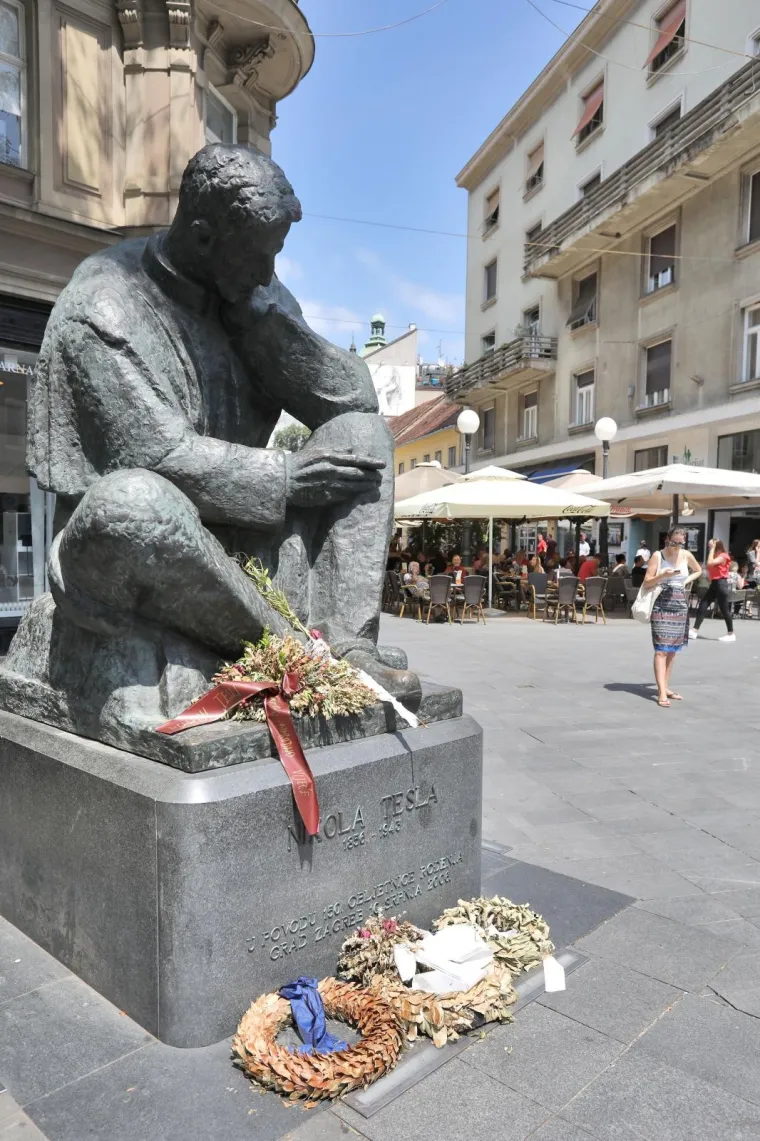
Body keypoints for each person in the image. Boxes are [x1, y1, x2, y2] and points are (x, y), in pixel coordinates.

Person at [644, 527, 702, 707]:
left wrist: (685, 581)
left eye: (680, 542)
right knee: (661, 649)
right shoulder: (657, 556)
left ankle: (666, 686)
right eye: (674, 542)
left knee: (672, 651)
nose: (677, 546)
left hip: (679, 605)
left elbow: (698, 570)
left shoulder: (685, 555)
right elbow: (647, 582)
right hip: (661, 603)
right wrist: (662, 575)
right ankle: (661, 692)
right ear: (667, 540)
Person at [691, 539, 736, 642]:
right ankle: (694, 630)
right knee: (703, 604)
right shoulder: (715, 556)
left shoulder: (724, 556)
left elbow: (710, 563)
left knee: (724, 609)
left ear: (716, 545)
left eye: (710, 545)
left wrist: (711, 550)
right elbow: (708, 567)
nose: (709, 547)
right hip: (715, 583)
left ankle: (731, 633)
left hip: (721, 583)